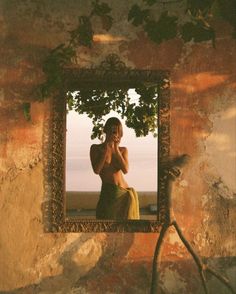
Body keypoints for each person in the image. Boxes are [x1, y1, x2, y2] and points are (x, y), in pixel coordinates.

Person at [90, 117, 140, 220]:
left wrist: (116, 149)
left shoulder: (122, 150)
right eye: (112, 131)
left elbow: (125, 170)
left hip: (125, 194)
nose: (114, 134)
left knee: (127, 231)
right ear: (106, 130)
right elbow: (97, 170)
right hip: (109, 194)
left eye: (117, 132)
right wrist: (106, 150)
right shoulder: (96, 148)